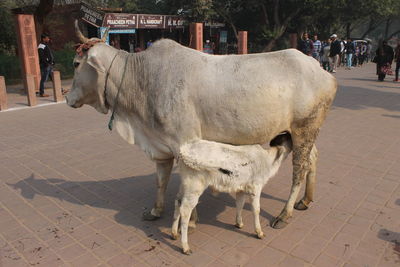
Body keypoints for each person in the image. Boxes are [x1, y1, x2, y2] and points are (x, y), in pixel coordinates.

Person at [37, 33, 55, 97]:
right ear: (43, 39)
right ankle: (41, 93)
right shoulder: (41, 46)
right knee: (44, 79)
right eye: (47, 38)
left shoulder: (45, 45)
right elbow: (42, 57)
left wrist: (52, 62)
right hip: (45, 66)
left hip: (49, 65)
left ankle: (60, 90)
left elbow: (49, 55)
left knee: (54, 78)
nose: (48, 39)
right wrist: (47, 64)